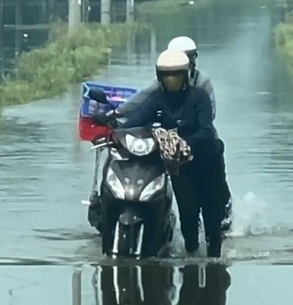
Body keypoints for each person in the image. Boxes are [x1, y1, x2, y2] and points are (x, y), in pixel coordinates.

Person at [95, 49, 226, 257]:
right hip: (180, 167)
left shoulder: (199, 97)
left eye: (176, 75)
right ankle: (191, 259)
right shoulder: (157, 100)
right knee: (188, 216)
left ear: (185, 76)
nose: (172, 81)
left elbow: (205, 129)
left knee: (211, 216)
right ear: (160, 77)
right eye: (167, 76)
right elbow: (135, 121)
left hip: (206, 162)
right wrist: (114, 133)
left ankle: (215, 266)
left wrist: (180, 141)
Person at [117, 36, 233, 232]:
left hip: (202, 147)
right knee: (188, 213)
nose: (173, 79)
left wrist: (182, 136)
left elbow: (209, 117)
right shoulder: (161, 91)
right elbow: (142, 102)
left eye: (191, 57)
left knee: (214, 204)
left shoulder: (201, 87)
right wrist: (117, 119)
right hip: (176, 156)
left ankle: (224, 208)